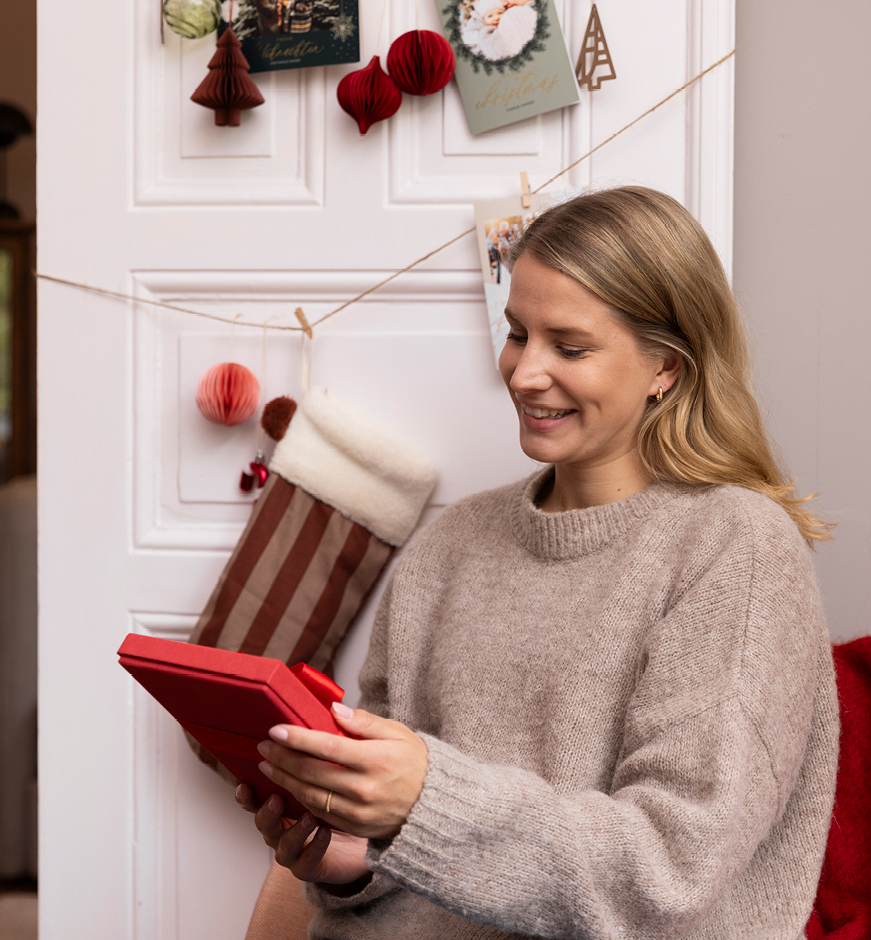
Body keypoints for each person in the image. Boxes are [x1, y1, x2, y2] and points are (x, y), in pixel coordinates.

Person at [236, 186, 840, 940]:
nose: (523, 373)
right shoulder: (451, 546)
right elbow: (405, 849)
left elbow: (669, 871)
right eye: (518, 333)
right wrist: (350, 859)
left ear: (668, 368)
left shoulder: (735, 550)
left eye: (570, 346)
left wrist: (425, 800)